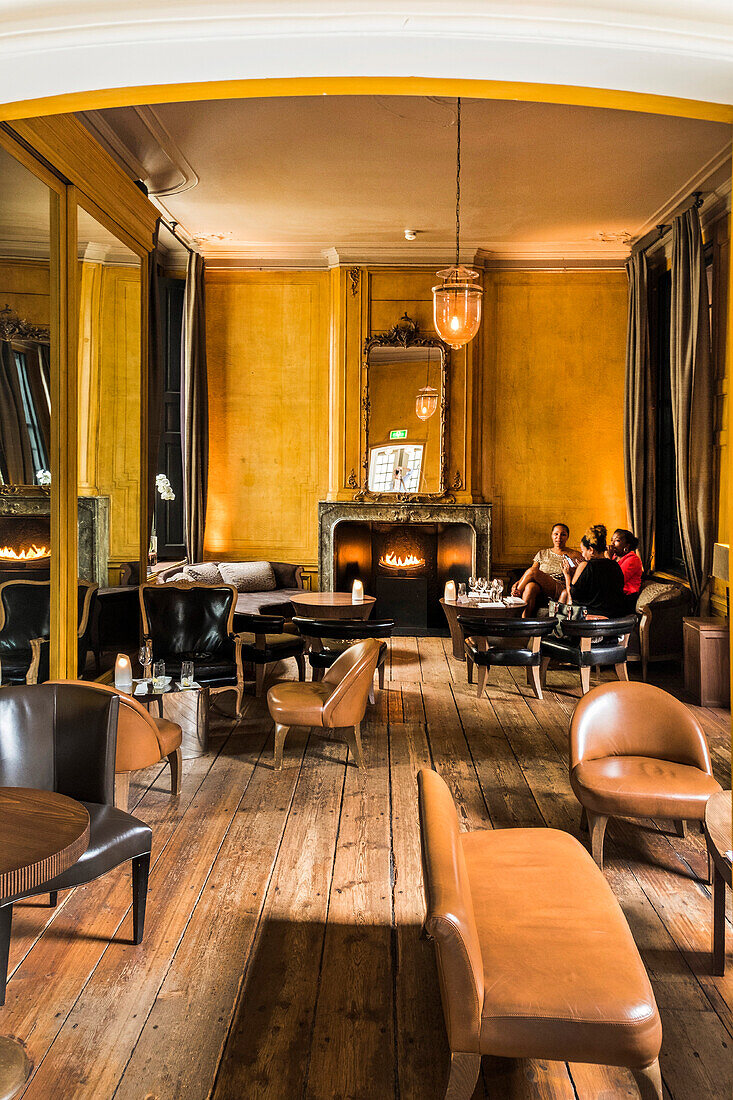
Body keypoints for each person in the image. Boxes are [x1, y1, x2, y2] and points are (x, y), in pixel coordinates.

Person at [511, 523, 582, 616]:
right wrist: (517, 582)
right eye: (556, 534)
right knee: (530, 587)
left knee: (533, 571)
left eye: (563, 534)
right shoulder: (542, 553)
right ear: (552, 535)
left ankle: (513, 599)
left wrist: (518, 585)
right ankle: (524, 622)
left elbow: (532, 572)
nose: (559, 537)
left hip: (560, 587)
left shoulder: (575, 554)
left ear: (567, 536)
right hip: (541, 588)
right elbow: (529, 576)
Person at [560, 524, 624, 618]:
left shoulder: (585, 565)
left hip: (588, 620)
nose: (582, 554)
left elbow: (572, 595)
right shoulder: (615, 565)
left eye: (583, 550)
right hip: (612, 619)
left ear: (591, 550)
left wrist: (567, 575)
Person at [608, 528, 643, 612]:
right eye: (611, 540)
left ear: (627, 546)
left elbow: (615, 580)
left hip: (625, 599)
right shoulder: (615, 557)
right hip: (614, 595)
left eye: (617, 541)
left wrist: (608, 559)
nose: (612, 544)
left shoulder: (633, 559)